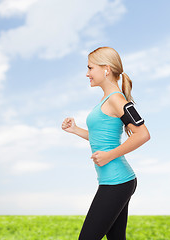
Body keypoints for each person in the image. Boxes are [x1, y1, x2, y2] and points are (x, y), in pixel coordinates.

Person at [61, 46, 150, 240]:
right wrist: (75, 130)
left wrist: (109, 155)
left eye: (90, 68)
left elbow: (142, 134)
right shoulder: (107, 100)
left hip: (117, 182)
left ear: (106, 69)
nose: (87, 73)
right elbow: (102, 139)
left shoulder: (117, 100)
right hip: (116, 181)